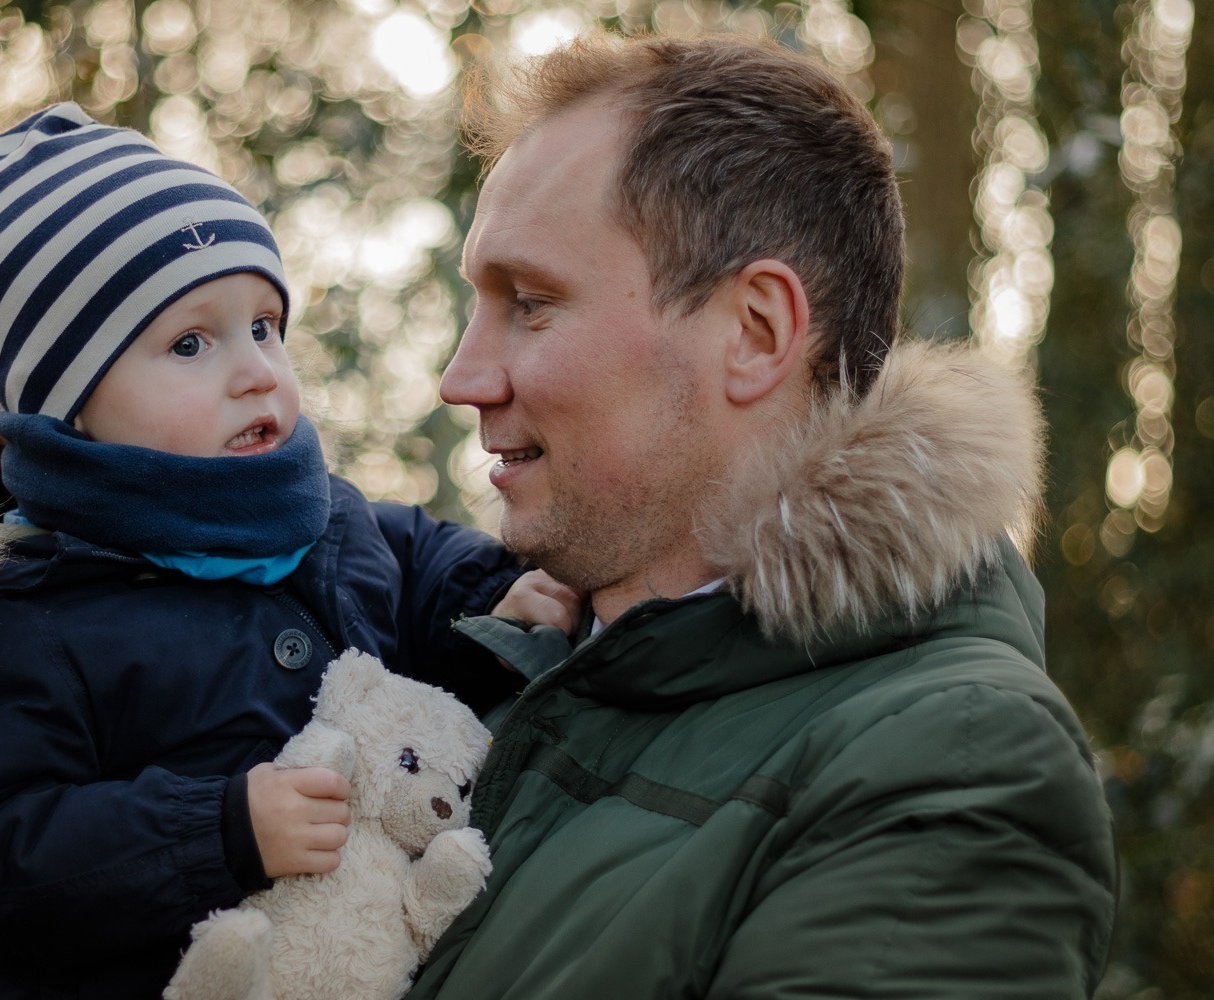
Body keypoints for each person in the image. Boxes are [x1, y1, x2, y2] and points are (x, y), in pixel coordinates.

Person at [0, 103, 575, 999]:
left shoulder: (326, 520)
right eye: (191, 342)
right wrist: (218, 829)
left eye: (264, 326)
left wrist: (495, 598)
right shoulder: (3, 620)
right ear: (70, 403)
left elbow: (421, 569)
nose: (254, 369)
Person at [405, 31, 1118, 999]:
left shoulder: (953, 767)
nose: (462, 377)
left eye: (529, 303)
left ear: (755, 334)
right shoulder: (517, 674)